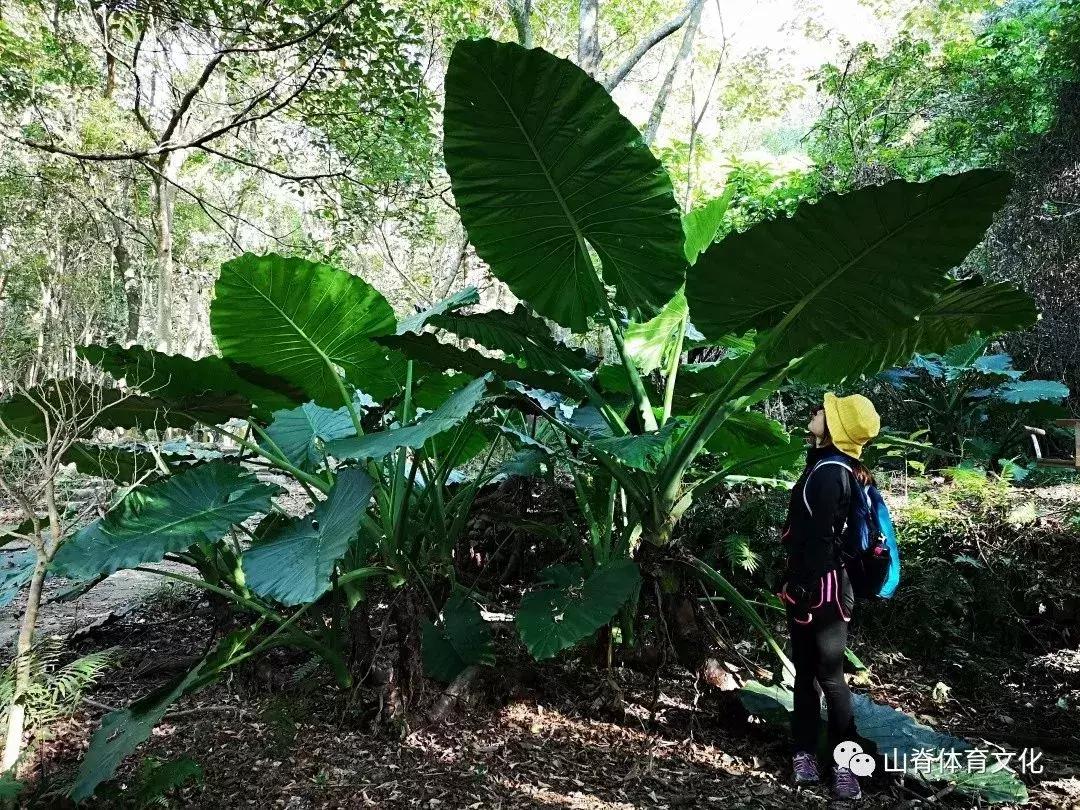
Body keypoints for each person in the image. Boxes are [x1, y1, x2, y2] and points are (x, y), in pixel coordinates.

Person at [777, 392, 881, 801]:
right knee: (809, 674)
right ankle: (805, 755)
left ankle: (844, 767)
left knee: (828, 678)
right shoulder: (838, 468)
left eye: (824, 411)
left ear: (836, 429)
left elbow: (819, 539)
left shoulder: (829, 473)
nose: (816, 412)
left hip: (821, 589)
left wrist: (800, 588)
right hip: (824, 586)